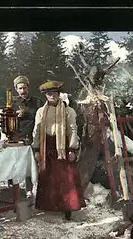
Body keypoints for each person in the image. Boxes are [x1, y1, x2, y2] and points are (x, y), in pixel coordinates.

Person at [32, 81, 84, 221]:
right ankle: (50, 206)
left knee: (65, 179)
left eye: (55, 93)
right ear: (45, 96)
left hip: (63, 146)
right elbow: (37, 132)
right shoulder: (41, 112)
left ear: (59, 94)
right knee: (49, 178)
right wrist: (37, 149)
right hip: (47, 146)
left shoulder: (68, 111)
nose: (52, 96)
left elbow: (73, 130)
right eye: (49, 94)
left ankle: (67, 208)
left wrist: (72, 148)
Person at [12, 75, 44, 198]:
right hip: (19, 136)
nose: (22, 91)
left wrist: (27, 112)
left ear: (28, 87)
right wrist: (16, 116)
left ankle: (38, 188)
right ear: (16, 89)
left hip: (35, 135)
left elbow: (41, 116)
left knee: (37, 162)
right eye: (20, 88)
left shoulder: (36, 101)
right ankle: (22, 189)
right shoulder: (14, 103)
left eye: (24, 88)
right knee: (22, 163)